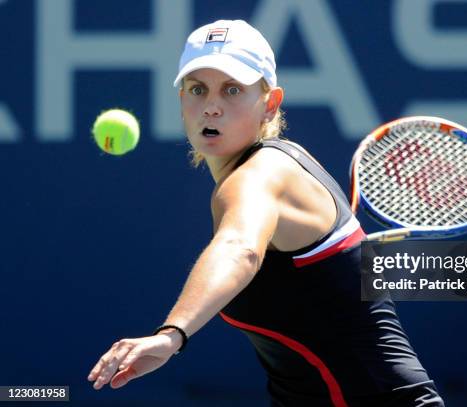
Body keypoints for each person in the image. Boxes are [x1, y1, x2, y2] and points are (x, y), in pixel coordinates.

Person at [87, 19, 444, 407]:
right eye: (197, 89)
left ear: (270, 103)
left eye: (233, 90)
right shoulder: (275, 165)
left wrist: (172, 334)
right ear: (182, 100)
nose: (211, 106)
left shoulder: (259, 175)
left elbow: (240, 247)